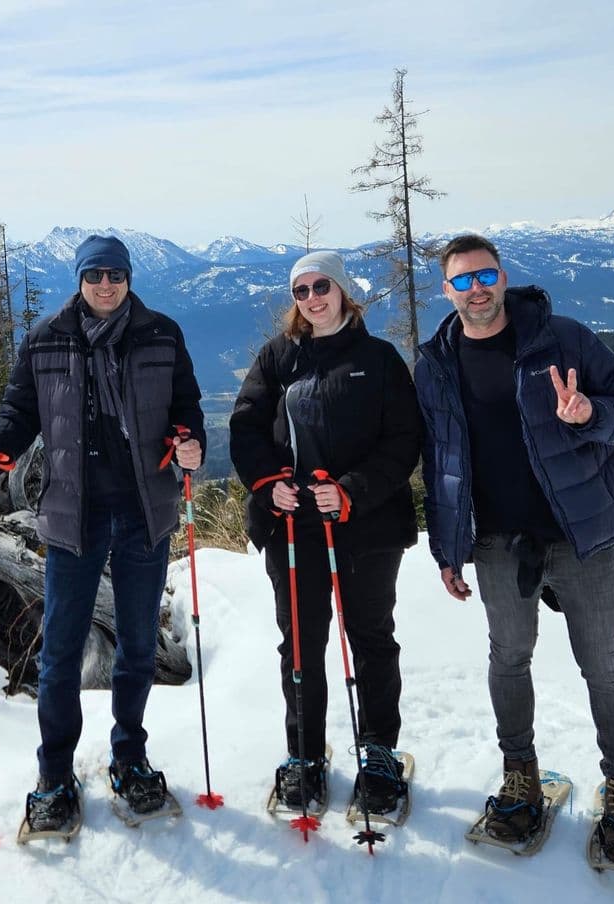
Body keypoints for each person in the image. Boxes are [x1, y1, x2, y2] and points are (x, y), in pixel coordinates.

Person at [414, 234, 614, 864]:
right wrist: (447, 546)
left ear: (503, 277)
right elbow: (440, 461)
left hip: (580, 535)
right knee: (508, 658)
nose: (476, 290)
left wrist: (589, 417)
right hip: (497, 542)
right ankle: (519, 775)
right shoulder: (436, 364)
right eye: (462, 280)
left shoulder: (562, 339)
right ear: (447, 290)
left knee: (604, 666)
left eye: (485, 276)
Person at [0, 234, 204, 831]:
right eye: (94, 274)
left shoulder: (161, 333)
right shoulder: (46, 339)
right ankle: (55, 771)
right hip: (74, 516)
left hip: (145, 512)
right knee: (62, 650)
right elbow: (19, 413)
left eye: (115, 274)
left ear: (128, 279)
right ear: (79, 278)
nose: (105, 285)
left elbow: (186, 406)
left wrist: (189, 442)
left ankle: (130, 757)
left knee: (139, 645)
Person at [230, 250, 422, 815]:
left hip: (365, 525)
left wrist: (352, 489)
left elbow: (403, 440)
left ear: (343, 291)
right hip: (292, 527)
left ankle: (379, 752)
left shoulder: (380, 360)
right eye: (301, 291)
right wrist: (269, 485)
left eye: (322, 287)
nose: (312, 298)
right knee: (301, 644)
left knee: (370, 638)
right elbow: (245, 426)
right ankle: (305, 754)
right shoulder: (278, 357)